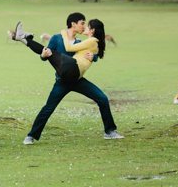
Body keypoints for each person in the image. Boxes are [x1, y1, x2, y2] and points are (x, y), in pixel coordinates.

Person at [13, 12, 123, 144]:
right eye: (82, 23)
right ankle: (31, 136)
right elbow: (46, 55)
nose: (83, 26)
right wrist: (43, 56)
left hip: (77, 80)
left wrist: (93, 57)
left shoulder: (79, 42)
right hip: (62, 81)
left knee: (102, 99)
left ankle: (110, 131)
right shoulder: (57, 39)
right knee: (48, 108)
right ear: (73, 24)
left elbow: (91, 52)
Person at [12, 18, 106, 83]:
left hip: (73, 69)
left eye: (87, 26)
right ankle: (23, 38)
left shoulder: (92, 41)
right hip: (72, 72)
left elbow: (69, 48)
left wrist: (64, 33)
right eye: (83, 24)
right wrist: (94, 57)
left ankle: (23, 37)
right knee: (47, 52)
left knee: (48, 51)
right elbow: (93, 52)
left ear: (92, 30)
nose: (84, 27)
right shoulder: (91, 42)